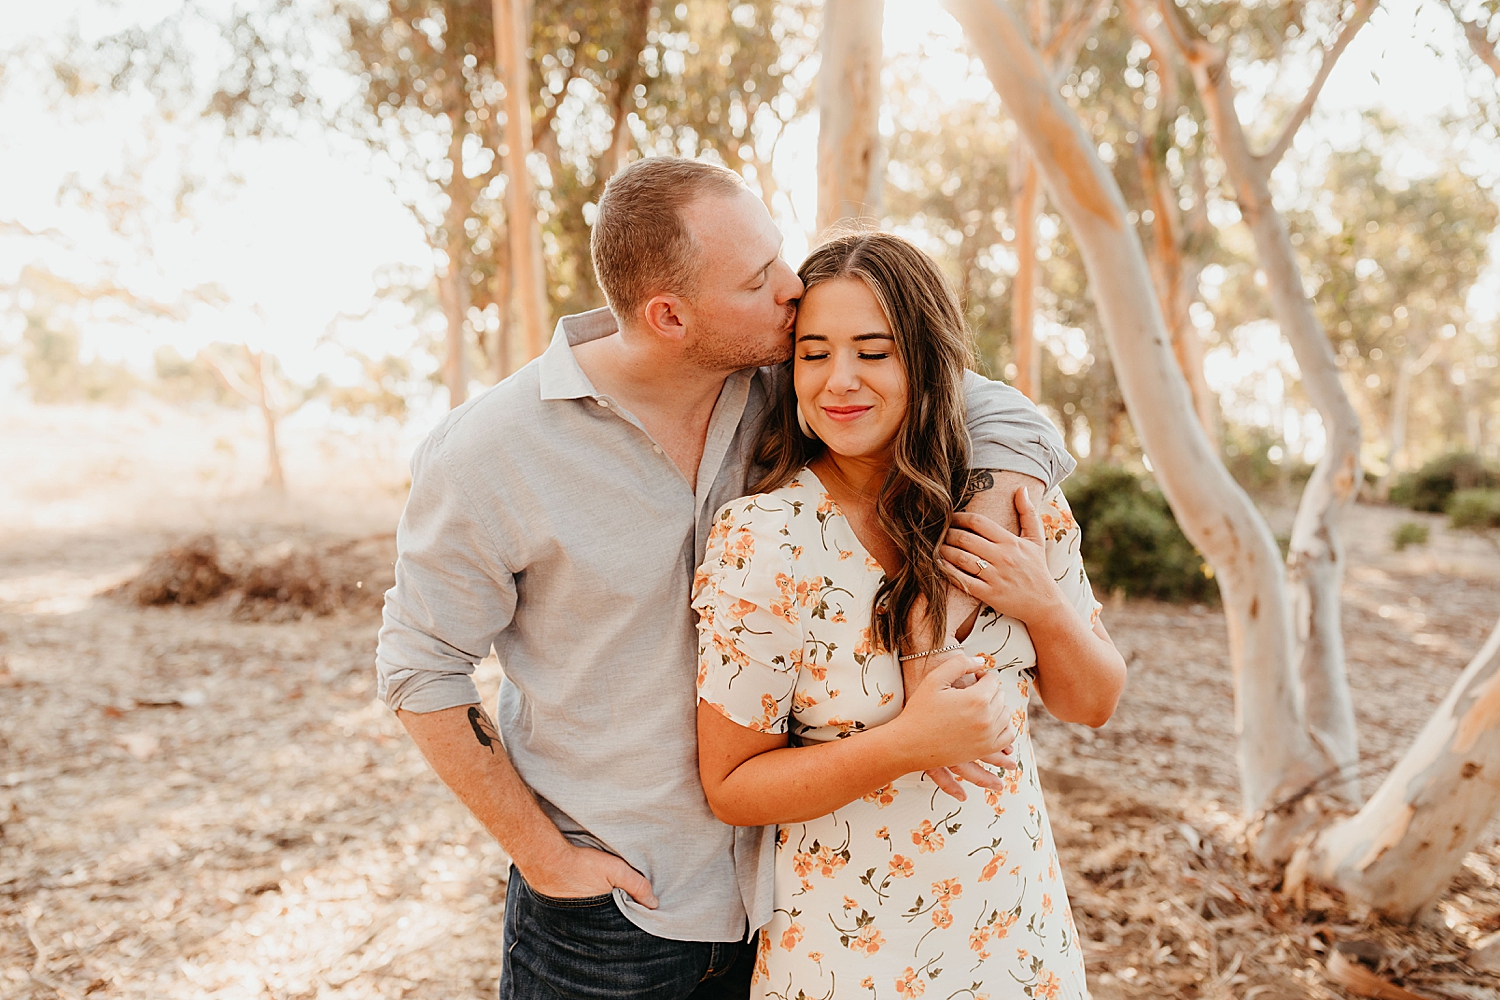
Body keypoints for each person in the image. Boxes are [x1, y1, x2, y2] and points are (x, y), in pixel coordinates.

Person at [374, 157, 1076, 1000]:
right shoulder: (490, 453)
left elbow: (987, 404)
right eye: (758, 279)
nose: (792, 288)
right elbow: (420, 667)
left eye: (779, 257)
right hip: (616, 919)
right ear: (670, 315)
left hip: (794, 910)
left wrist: (963, 560)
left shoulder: (794, 381)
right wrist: (545, 857)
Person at [694, 232, 1127, 998]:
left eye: (874, 351)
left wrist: (1041, 603)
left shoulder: (1013, 502)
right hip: (849, 956)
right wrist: (908, 744)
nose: (840, 381)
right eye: (814, 353)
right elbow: (732, 785)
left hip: (1016, 939)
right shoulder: (764, 540)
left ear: (926, 361)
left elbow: (1093, 702)